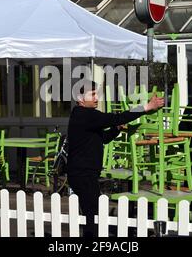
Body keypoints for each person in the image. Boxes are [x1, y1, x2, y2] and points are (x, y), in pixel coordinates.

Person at [67, 80, 164, 237]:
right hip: (82, 174)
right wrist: (146, 107)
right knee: (92, 215)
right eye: (92, 94)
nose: (97, 98)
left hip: (85, 173)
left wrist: (116, 129)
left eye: (96, 94)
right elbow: (117, 117)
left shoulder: (85, 117)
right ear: (80, 98)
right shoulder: (84, 115)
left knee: (92, 214)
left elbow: (102, 138)